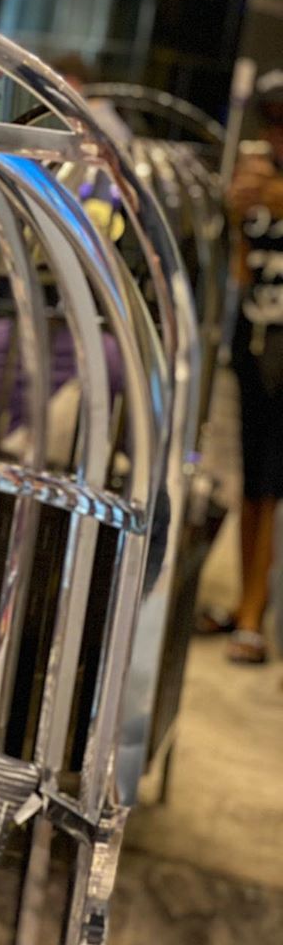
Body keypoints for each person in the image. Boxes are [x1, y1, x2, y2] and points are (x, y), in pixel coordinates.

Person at [206, 73, 283, 663]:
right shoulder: (257, 182)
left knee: (270, 486)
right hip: (252, 347)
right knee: (251, 485)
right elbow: (237, 272)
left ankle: (256, 612)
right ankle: (245, 604)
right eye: (271, 120)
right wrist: (235, 215)